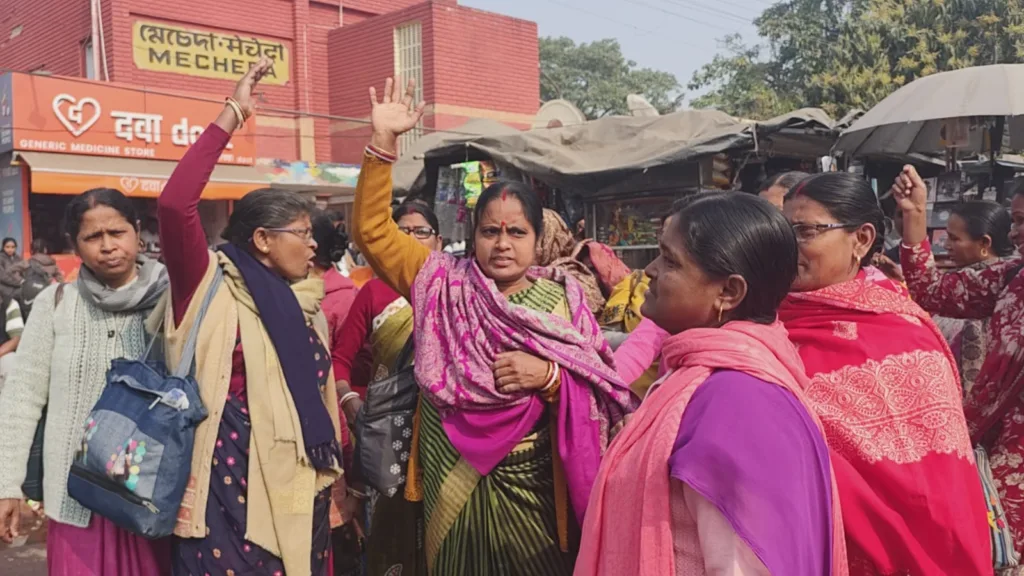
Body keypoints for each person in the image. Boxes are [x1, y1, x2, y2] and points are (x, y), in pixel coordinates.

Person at [353, 77, 636, 575]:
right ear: (472, 234)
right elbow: (373, 231)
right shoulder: (438, 280)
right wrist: (383, 145)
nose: (502, 243)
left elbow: (599, 388)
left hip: (536, 484)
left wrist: (548, 378)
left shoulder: (565, 299)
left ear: (535, 238)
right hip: (447, 459)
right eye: (489, 231)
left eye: (516, 232)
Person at [575, 192, 845, 576]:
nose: (648, 271)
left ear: (728, 292)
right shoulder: (707, 376)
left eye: (670, 261)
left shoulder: (736, 401)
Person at [156, 58, 342, 576]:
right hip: (223, 490)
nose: (313, 246)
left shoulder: (304, 304)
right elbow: (174, 205)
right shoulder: (206, 284)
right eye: (301, 233)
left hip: (297, 486)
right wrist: (233, 113)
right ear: (262, 240)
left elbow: (319, 406)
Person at [778, 172, 990, 575]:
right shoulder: (764, 319)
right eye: (781, 231)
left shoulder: (905, 336)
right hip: (808, 544)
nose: (787, 248)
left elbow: (937, 487)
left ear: (861, 240)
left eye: (805, 232)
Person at [0, 187, 170, 575]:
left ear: (137, 232)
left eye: (117, 232)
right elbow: (22, 396)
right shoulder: (56, 303)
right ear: (75, 245)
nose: (108, 246)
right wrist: (6, 484)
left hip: (150, 499)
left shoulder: (172, 298)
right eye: (93, 237)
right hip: (75, 499)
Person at [892, 165, 1024, 559]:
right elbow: (930, 290)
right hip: (998, 449)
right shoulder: (1011, 277)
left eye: (1022, 222)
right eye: (1016, 220)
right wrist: (915, 215)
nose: (1015, 233)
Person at [332, 200, 444, 576]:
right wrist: (350, 402)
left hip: (444, 431)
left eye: (421, 232)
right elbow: (340, 361)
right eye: (402, 231)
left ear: (439, 242)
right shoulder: (374, 293)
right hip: (388, 433)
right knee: (388, 530)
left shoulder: (455, 291)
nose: (411, 239)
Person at [930, 200, 1014, 395]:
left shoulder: (987, 287)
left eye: (954, 238)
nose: (946, 245)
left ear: (984, 243)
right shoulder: (957, 280)